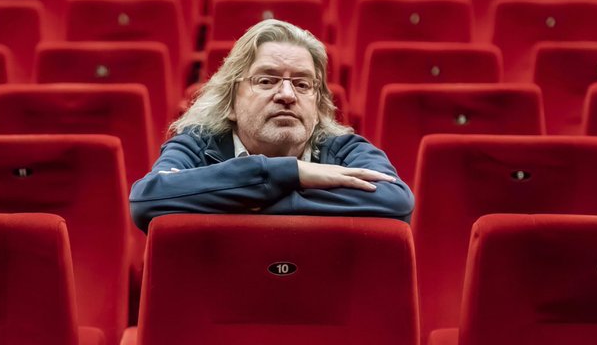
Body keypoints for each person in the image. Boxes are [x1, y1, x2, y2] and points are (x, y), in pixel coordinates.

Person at [130, 19, 414, 232]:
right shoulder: (197, 144)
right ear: (230, 102)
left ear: (318, 107)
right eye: (266, 81)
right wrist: (292, 172)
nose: (288, 95)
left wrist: (238, 197)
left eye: (303, 84)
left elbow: (396, 202)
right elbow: (148, 200)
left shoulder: (343, 149)